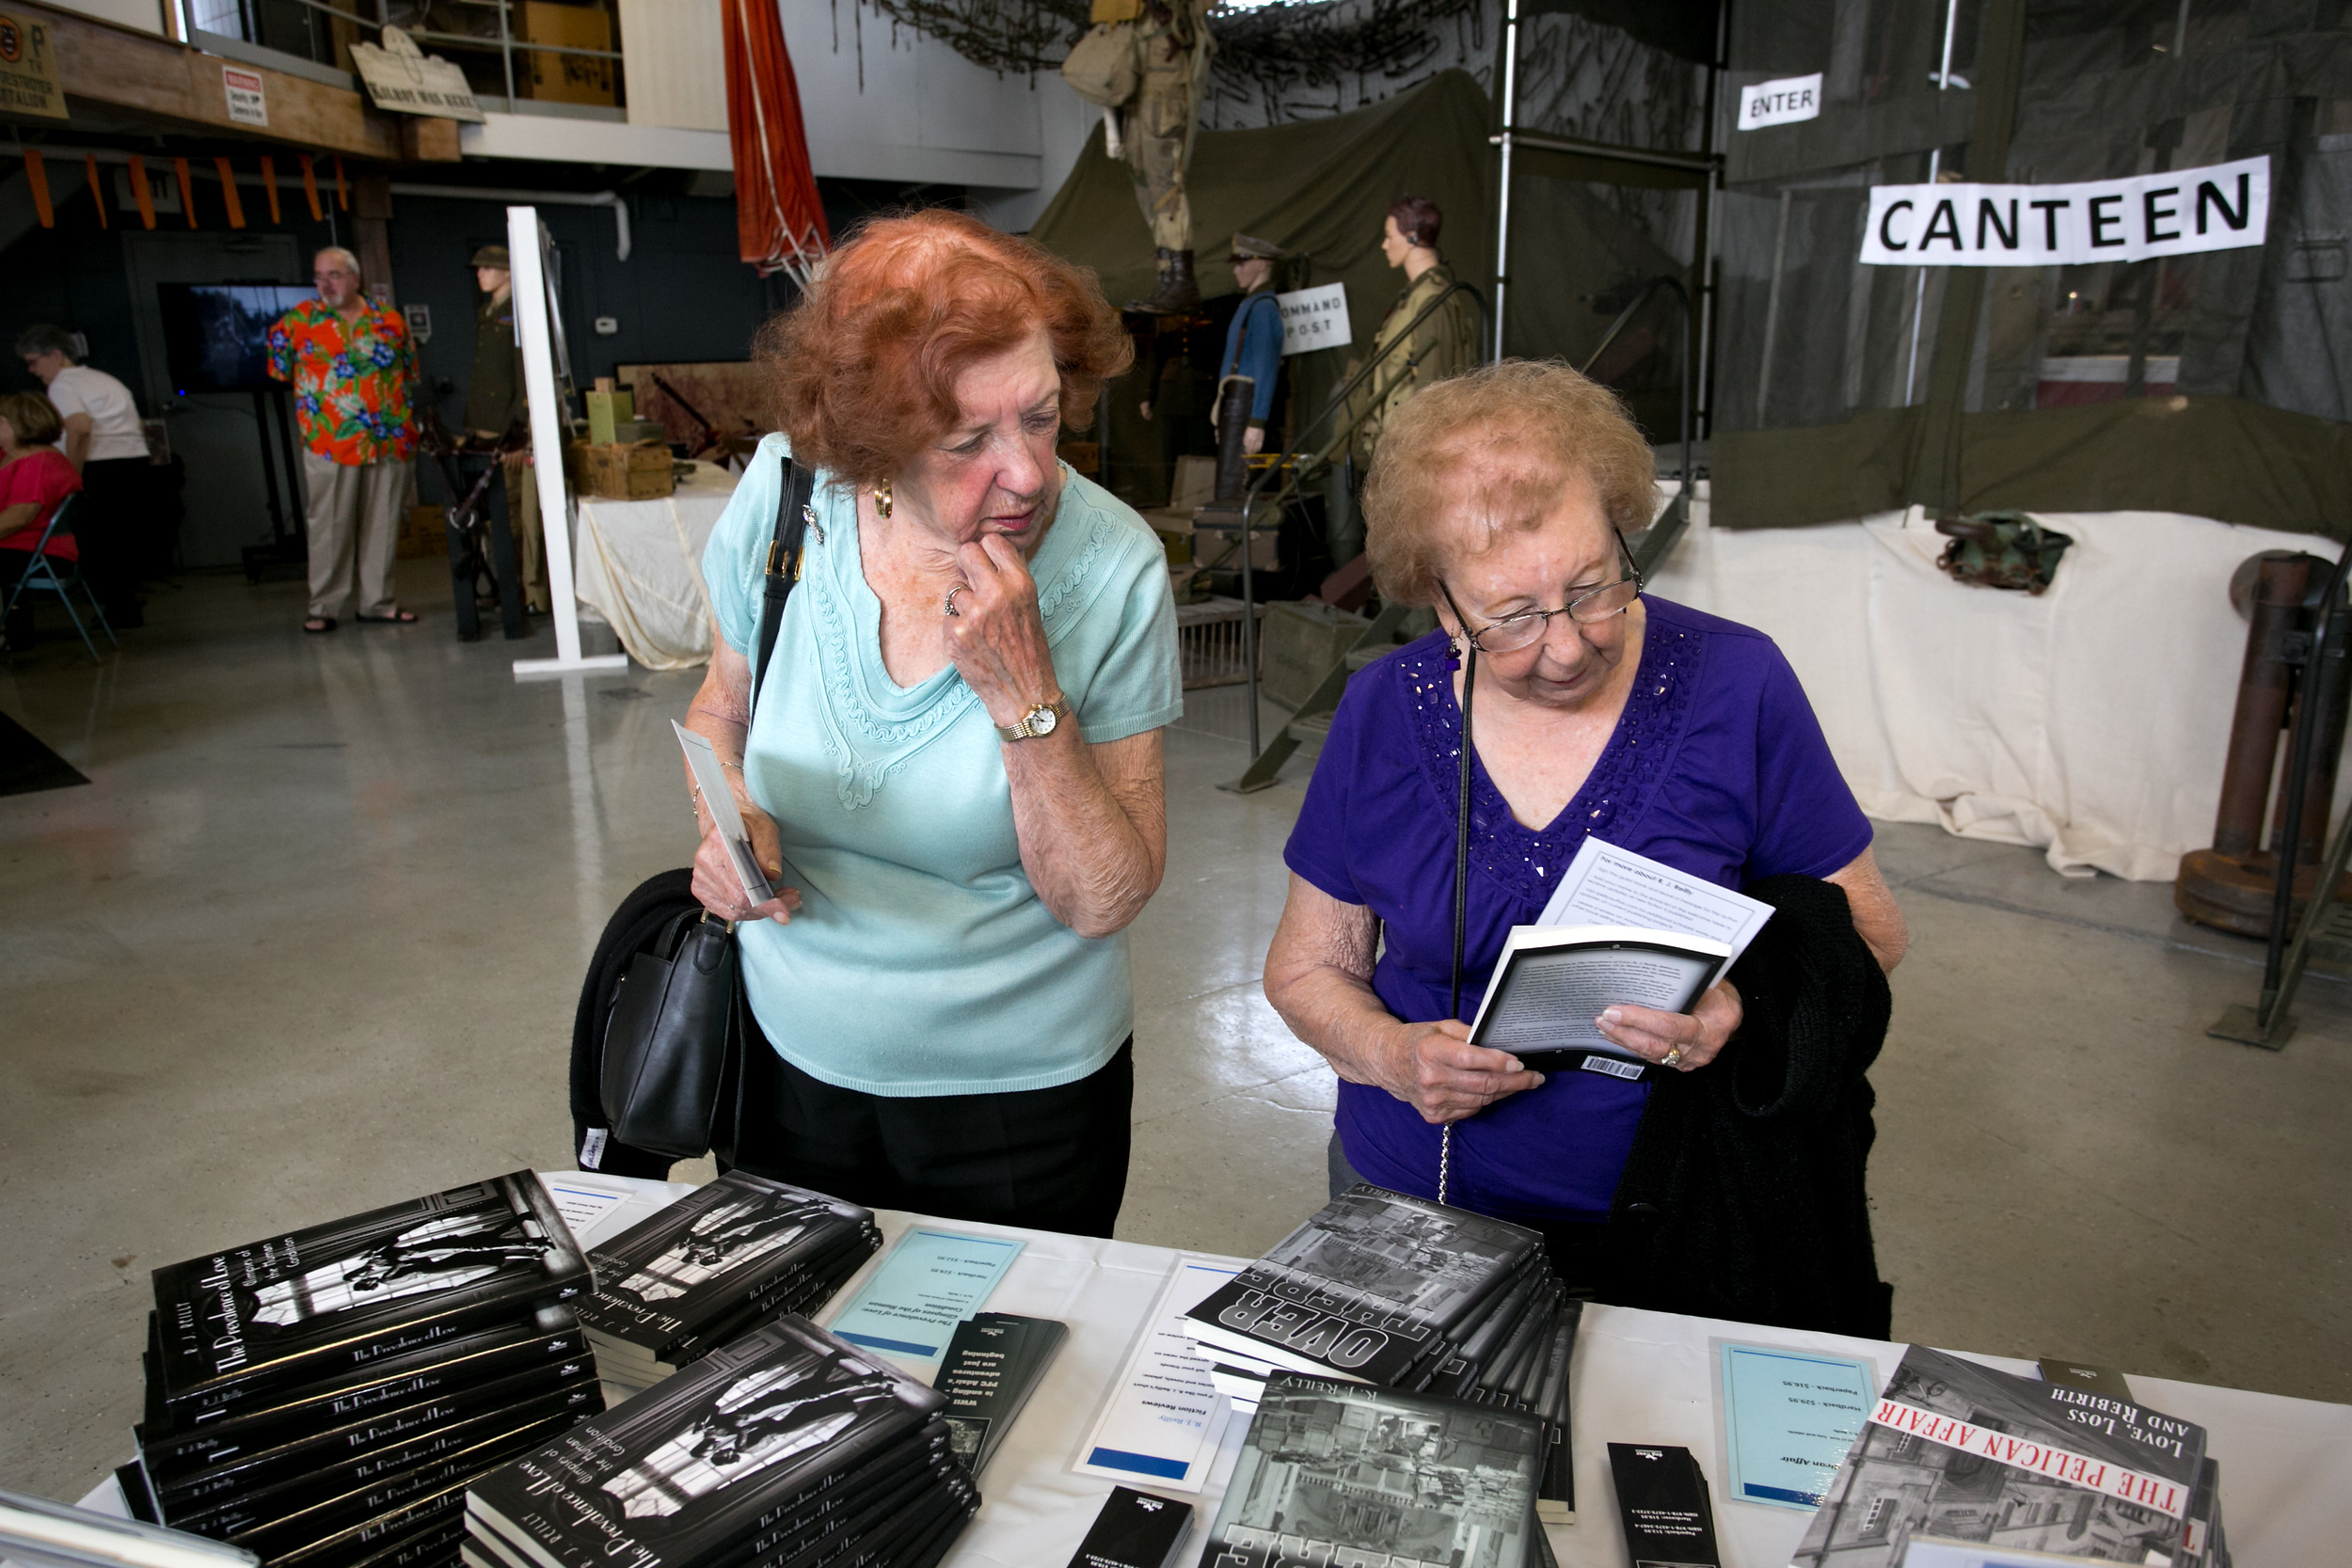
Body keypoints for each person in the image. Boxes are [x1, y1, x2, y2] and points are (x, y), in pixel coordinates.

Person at [1263, 360, 1909, 1325]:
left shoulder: (1738, 682)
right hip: (1411, 1201)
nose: (1567, 646)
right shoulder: (1381, 711)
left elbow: (1869, 932)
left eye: (1595, 586)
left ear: (1620, 529)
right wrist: (1393, 1055)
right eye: (1512, 617)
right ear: (1439, 606)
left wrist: (1740, 1008)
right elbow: (1307, 969)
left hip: (1684, 1212)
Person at [682, 211, 1182, 1238]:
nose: (1029, 472)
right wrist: (723, 815)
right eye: (969, 441)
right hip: (784, 1059)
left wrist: (1024, 698)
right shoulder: (785, 501)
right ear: (873, 439)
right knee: (794, 1365)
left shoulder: (1114, 564)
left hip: (1019, 1097)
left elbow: (1102, 897)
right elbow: (720, 703)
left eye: (1040, 417)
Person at [266, 245, 421, 633]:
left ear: (355, 278)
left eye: (333, 275)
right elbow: (280, 373)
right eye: (318, 276)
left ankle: (377, 603)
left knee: (382, 525)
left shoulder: (389, 321)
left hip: (388, 440)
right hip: (329, 442)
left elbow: (408, 372)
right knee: (329, 526)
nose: (324, 284)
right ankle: (324, 607)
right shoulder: (296, 323)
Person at [1333, 197, 1483, 563]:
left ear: (1412, 236)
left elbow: (1434, 394)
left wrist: (1417, 464)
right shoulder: (1414, 300)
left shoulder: (1431, 303)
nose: (1385, 244)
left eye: (1389, 235)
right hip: (1394, 457)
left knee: (1410, 567)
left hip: (1411, 462)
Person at [16, 325, 150, 628]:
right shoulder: (106, 379)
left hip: (101, 466)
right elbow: (138, 426)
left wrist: (72, 476)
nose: (32, 370)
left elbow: (79, 427)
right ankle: (125, 603)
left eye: (34, 361)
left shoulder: (64, 384)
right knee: (119, 540)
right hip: (134, 462)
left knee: (94, 543)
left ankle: (119, 606)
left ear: (56, 355)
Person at [461, 244, 547, 613]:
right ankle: (505, 588)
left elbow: (524, 376)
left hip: (505, 431)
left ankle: (518, 594)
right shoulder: (490, 312)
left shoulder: (518, 313)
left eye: (487, 268)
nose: (480, 274)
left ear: (506, 272)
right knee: (493, 517)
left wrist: (519, 432)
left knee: (510, 514)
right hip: (483, 427)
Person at [1121, 0, 1214, 312]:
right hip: (1141, 92)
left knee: (1166, 189)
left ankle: (1181, 282)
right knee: (1146, 186)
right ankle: (1168, 279)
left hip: (1164, 91)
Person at [0, 391, 86, 652]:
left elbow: (19, 517)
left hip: (38, 553)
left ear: (21, 425)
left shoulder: (37, 463)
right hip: (24, 547)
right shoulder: (17, 455)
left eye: (1, 421)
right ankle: (16, 633)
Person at [1211, 233, 1287, 457]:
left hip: (1245, 407)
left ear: (1262, 263)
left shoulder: (1263, 307)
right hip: (1235, 405)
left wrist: (1257, 421)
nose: (1236, 270)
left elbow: (1266, 367)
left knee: (1235, 482)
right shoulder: (1251, 304)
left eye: (1243, 263)